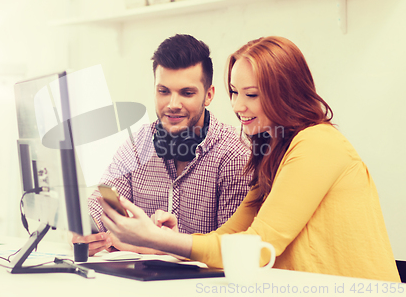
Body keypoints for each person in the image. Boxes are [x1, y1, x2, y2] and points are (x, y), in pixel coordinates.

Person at [97, 36, 401, 282]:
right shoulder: (271, 152)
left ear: (286, 94)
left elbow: (258, 246)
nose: (238, 106)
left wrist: (161, 241)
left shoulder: (318, 144)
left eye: (252, 95)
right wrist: (167, 240)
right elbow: (230, 239)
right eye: (234, 92)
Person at [73, 34, 251, 255]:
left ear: (209, 95)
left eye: (186, 93)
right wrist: (87, 233)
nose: (172, 104)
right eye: (163, 91)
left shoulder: (236, 155)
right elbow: (102, 202)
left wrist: (160, 245)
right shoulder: (138, 144)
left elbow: (233, 249)